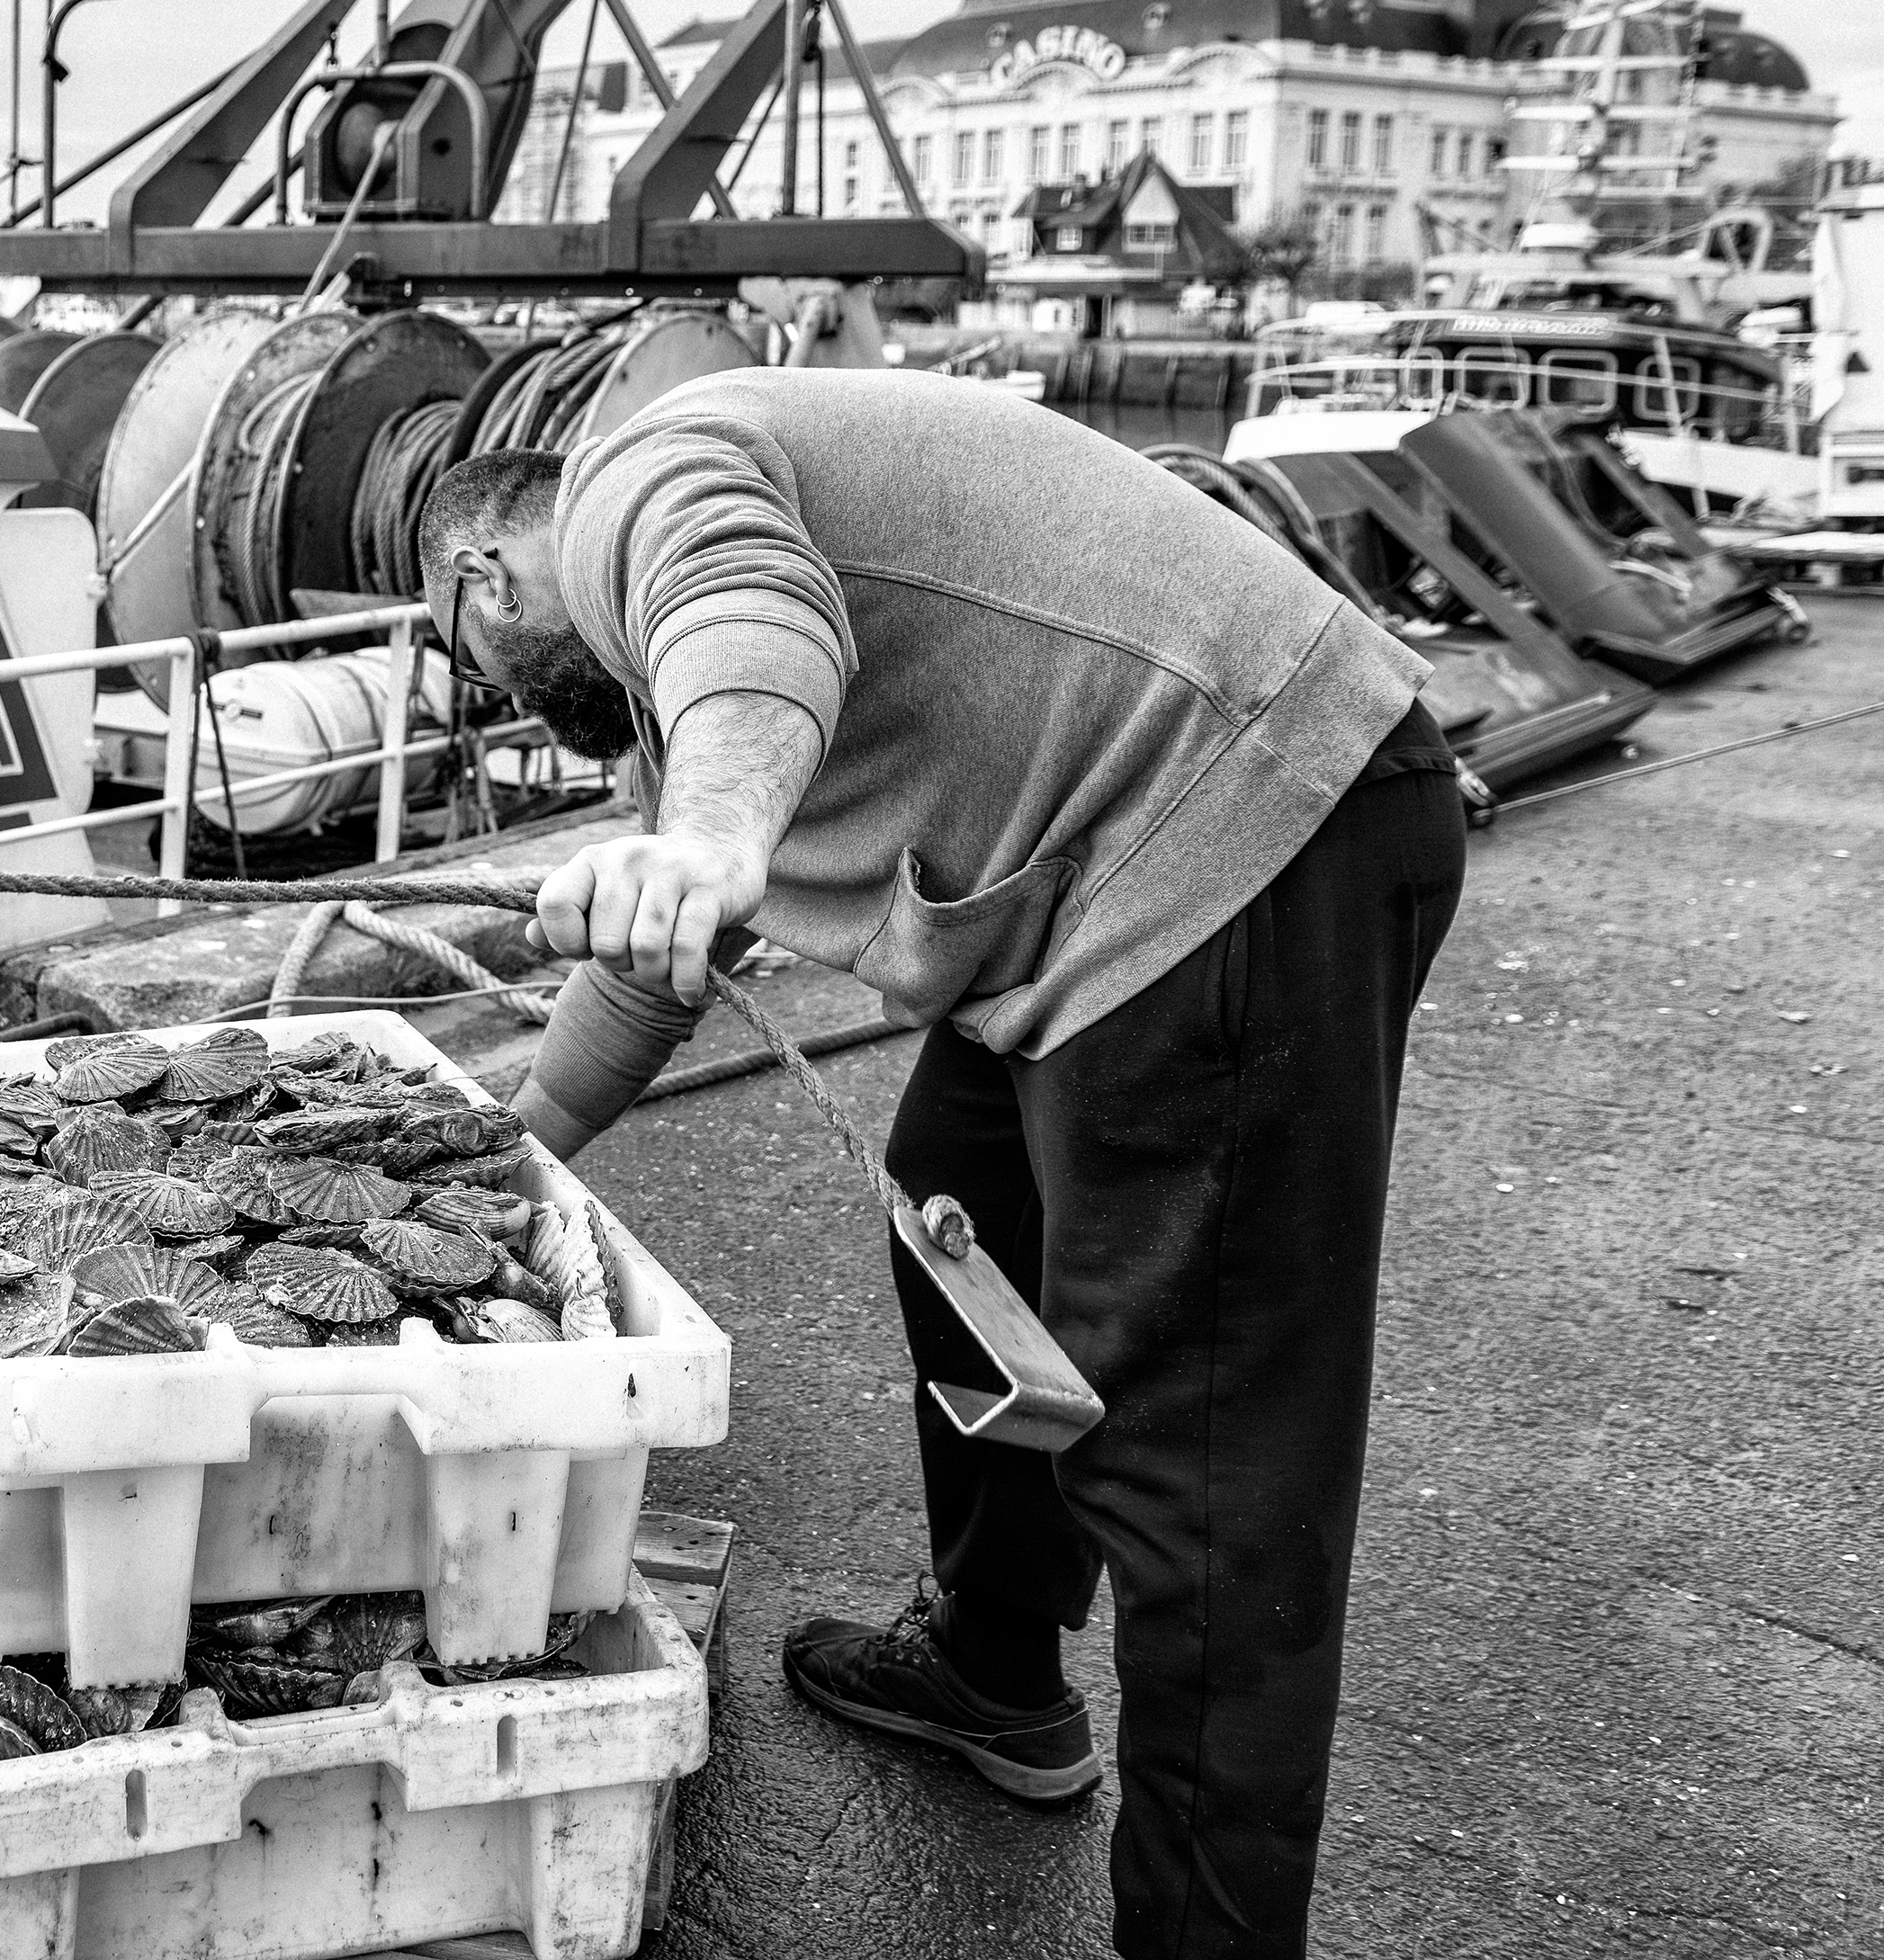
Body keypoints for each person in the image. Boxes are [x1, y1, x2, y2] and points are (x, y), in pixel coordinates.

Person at [416, 367, 1463, 1960]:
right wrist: (490, 1164)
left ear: (484, 581)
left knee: (1203, 1467)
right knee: (955, 1205)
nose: (489, 689)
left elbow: (749, 618)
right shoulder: (662, 705)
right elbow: (648, 976)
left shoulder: (643, 479)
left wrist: (713, 836)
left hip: (1245, 834)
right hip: (1097, 875)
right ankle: (996, 1667)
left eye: (463, 654)